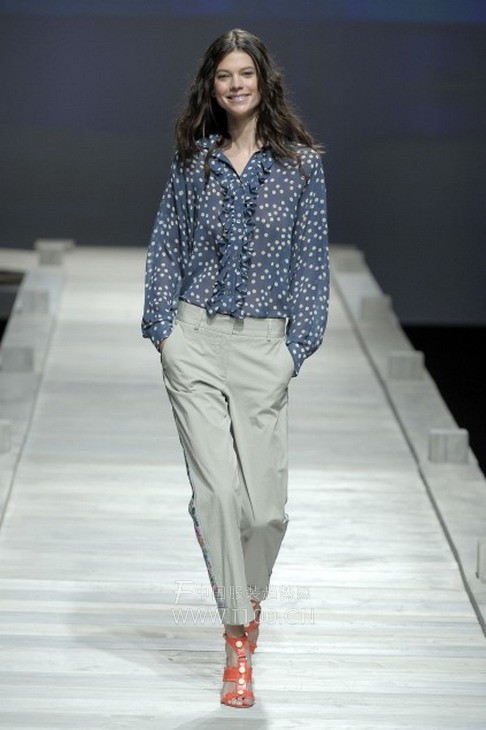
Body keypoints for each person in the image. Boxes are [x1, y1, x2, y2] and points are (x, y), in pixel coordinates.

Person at [141, 27, 329, 708]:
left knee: (266, 512)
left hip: (263, 349)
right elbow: (167, 246)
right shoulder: (193, 163)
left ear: (263, 80)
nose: (235, 84)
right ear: (212, 86)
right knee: (218, 496)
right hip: (194, 339)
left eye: (245, 73)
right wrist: (164, 331)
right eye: (224, 75)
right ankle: (236, 640)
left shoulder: (301, 166)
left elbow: (311, 263)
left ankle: (247, 598)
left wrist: (294, 350)